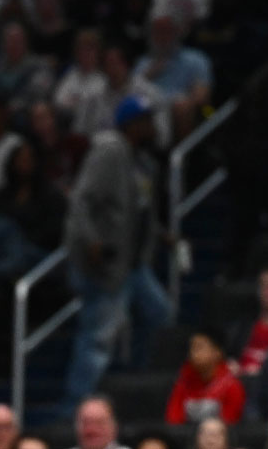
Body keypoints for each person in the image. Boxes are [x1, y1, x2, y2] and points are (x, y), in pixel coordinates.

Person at [63, 98, 173, 408]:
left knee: (159, 315)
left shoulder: (143, 160)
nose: (152, 127)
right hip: (107, 263)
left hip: (134, 264)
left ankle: (136, 377)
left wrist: (158, 233)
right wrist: (92, 241)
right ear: (131, 125)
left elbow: (134, 208)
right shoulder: (110, 151)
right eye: (146, 121)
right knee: (97, 338)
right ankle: (75, 407)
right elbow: (81, 201)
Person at [166, 327, 246, 425]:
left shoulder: (231, 386)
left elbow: (230, 424)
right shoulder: (182, 383)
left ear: (217, 352)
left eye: (199, 347)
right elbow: (173, 421)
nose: (193, 353)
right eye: (192, 348)